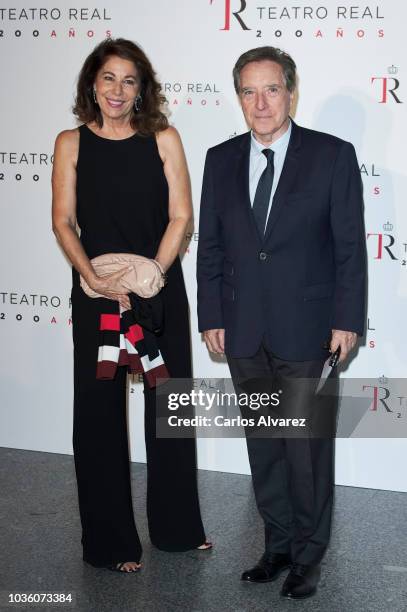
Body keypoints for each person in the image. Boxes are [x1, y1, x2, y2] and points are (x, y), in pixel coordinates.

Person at [197, 46, 366, 599]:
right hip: (244, 330)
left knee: (307, 451)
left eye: (271, 89)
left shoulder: (332, 156)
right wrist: (213, 314)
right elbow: (213, 248)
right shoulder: (220, 159)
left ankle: (309, 558)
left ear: (291, 91)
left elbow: (349, 250)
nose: (261, 102)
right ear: (239, 97)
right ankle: (277, 546)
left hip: (309, 330)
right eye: (249, 91)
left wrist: (346, 319)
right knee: (265, 445)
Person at [52, 38, 211, 574]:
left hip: (157, 286)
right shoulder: (70, 142)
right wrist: (92, 276)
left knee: (170, 409)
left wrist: (153, 276)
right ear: (91, 85)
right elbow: (62, 221)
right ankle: (110, 542)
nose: (117, 91)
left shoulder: (163, 137)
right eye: (108, 78)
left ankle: (178, 530)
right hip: (96, 292)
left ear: (141, 89)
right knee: (97, 416)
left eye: (129, 81)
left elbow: (181, 215)